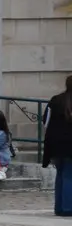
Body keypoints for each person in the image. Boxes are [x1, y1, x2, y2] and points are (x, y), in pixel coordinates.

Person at [42, 75, 72, 216]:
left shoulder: (55, 100)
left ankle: (59, 207)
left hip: (55, 143)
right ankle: (67, 207)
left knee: (61, 173)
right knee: (68, 174)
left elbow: (46, 122)